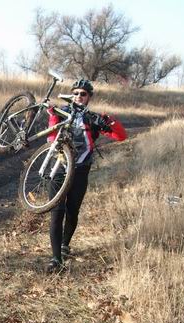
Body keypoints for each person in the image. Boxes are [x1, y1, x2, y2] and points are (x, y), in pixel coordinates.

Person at [45, 79, 127, 273]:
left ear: (89, 97)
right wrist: (52, 115)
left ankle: (65, 245)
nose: (78, 97)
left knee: (72, 211)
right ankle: (56, 259)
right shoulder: (62, 112)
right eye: (75, 93)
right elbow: (51, 138)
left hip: (81, 171)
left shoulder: (92, 119)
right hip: (59, 168)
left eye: (83, 94)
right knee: (57, 212)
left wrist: (109, 120)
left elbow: (121, 136)